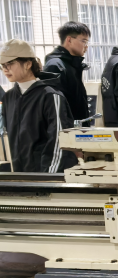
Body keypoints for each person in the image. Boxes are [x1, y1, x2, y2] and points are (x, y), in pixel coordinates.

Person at [0, 39, 76, 173]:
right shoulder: (8, 97)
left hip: (47, 175)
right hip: (22, 175)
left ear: (28, 64)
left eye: (10, 63)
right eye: (2, 65)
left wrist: (48, 177)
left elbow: (59, 140)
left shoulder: (50, 96)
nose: (5, 69)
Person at [44, 22, 92, 125]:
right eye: (84, 41)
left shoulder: (71, 64)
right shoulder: (55, 66)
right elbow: (55, 106)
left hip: (77, 127)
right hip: (67, 129)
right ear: (69, 40)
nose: (86, 46)